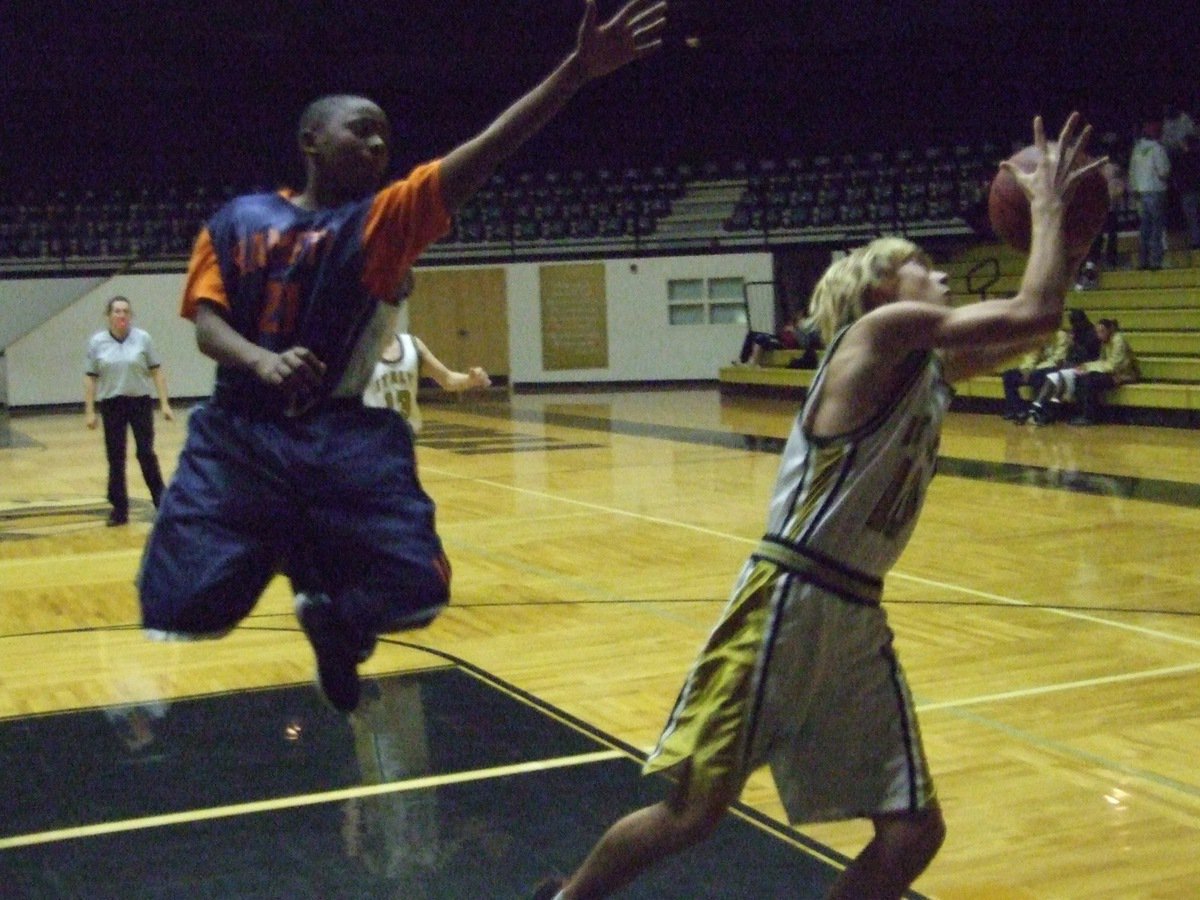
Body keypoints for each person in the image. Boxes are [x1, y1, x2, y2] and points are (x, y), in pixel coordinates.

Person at [532, 114, 1102, 900]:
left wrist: (1067, 243)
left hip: (855, 613)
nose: (940, 277)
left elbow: (1035, 322)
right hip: (790, 601)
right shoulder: (880, 334)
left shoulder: (930, 368)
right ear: (880, 290)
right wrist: (1046, 211)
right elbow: (1033, 312)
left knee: (913, 834)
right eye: (923, 267)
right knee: (691, 814)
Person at [136, 0, 667, 713]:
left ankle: (334, 621)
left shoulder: (386, 218)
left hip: (340, 430)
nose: (378, 143)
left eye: (386, 135)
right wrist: (261, 363)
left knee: (418, 590)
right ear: (311, 140)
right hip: (241, 428)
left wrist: (574, 73)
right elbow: (207, 323)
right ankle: (302, 554)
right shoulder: (236, 221)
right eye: (361, 128)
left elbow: (487, 153)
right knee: (179, 606)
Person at [361, 273, 492, 433]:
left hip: (405, 440)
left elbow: (448, 379)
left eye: (393, 307)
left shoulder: (412, 346)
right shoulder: (357, 352)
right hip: (371, 441)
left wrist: (470, 380)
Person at [84, 296, 174, 526]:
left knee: (146, 452)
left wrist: (164, 403)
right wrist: (90, 411)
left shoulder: (143, 339)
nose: (121, 315)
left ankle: (161, 502)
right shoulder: (97, 342)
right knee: (116, 458)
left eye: (125, 311)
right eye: (116, 311)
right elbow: (90, 378)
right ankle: (119, 509)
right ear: (108, 316)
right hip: (112, 404)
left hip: (140, 403)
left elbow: (156, 372)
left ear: (130, 315)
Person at [1025, 308, 1103, 425]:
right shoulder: (1076, 333)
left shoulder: (1092, 334)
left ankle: (1047, 412)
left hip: (1084, 367)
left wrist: (1074, 345)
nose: (1073, 325)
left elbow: (1090, 356)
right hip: (1071, 366)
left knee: (1059, 378)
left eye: (1075, 321)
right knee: (1051, 377)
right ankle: (1038, 409)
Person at [1067, 318, 1140, 425]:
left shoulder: (1118, 340)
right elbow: (1102, 361)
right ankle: (1082, 412)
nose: (1099, 335)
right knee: (1082, 377)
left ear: (1110, 330)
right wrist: (1086, 366)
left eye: (1102, 331)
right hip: (1113, 373)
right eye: (1097, 332)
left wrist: (1088, 367)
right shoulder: (1105, 342)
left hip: (1124, 375)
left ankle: (1090, 416)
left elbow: (1113, 366)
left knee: (1090, 380)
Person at [999, 326, 1069, 421]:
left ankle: (1041, 412)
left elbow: (1058, 360)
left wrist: (1036, 368)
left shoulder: (1061, 335)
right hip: (1037, 368)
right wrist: (1027, 368)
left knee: (1042, 376)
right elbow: (1032, 355)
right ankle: (1018, 409)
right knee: (1009, 375)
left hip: (1053, 368)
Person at [1129, 117, 1171, 270]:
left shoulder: (1137, 149)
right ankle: (1155, 261)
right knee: (1156, 227)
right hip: (1156, 191)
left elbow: (1132, 172)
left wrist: (1135, 188)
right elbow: (1164, 171)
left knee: (1144, 228)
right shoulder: (1157, 149)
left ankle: (1143, 261)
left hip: (1140, 192)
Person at [1173, 133, 1200, 250]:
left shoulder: (1182, 158)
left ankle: (1196, 241)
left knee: (1191, 217)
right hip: (1196, 189)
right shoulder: (1197, 156)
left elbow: (1179, 175)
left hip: (1187, 191)